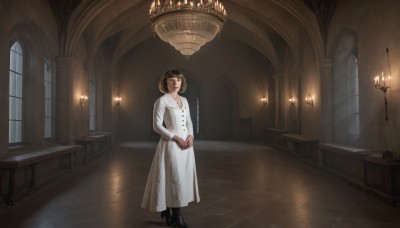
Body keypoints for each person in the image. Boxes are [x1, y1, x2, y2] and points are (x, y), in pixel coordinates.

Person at [141, 69, 200, 228]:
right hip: (171, 145)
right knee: (174, 179)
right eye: (172, 80)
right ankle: (176, 215)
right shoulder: (162, 101)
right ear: (165, 83)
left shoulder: (185, 100)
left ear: (182, 83)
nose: (175, 83)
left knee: (182, 178)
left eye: (178, 80)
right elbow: (156, 126)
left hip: (186, 146)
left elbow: (189, 121)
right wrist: (176, 137)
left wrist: (190, 136)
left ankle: (168, 209)